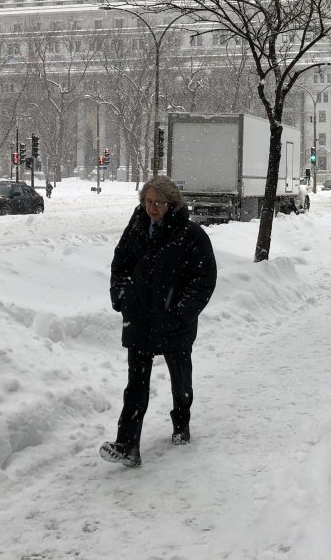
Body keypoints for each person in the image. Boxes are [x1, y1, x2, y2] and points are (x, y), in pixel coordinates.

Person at [100, 175, 218, 468]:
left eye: (158, 202)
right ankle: (128, 446)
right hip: (139, 319)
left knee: (180, 379)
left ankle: (181, 423)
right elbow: (120, 264)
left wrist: (181, 311)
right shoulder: (136, 229)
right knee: (135, 386)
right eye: (148, 201)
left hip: (174, 321)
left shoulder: (191, 235)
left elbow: (204, 280)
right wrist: (122, 295)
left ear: (172, 203)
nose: (152, 207)